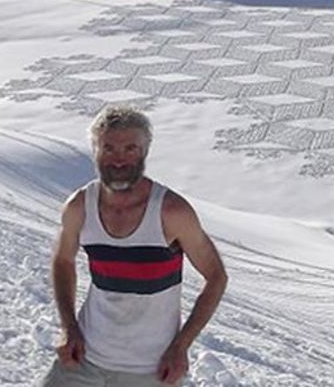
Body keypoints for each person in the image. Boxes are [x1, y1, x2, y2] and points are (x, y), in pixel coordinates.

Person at [40, 106, 228, 386]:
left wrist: (181, 347)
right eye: (109, 148)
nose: (119, 159)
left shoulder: (171, 212)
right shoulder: (80, 206)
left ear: (144, 152)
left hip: (150, 371)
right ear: (95, 150)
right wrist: (70, 327)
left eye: (130, 148)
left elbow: (216, 276)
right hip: (84, 360)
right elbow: (63, 260)